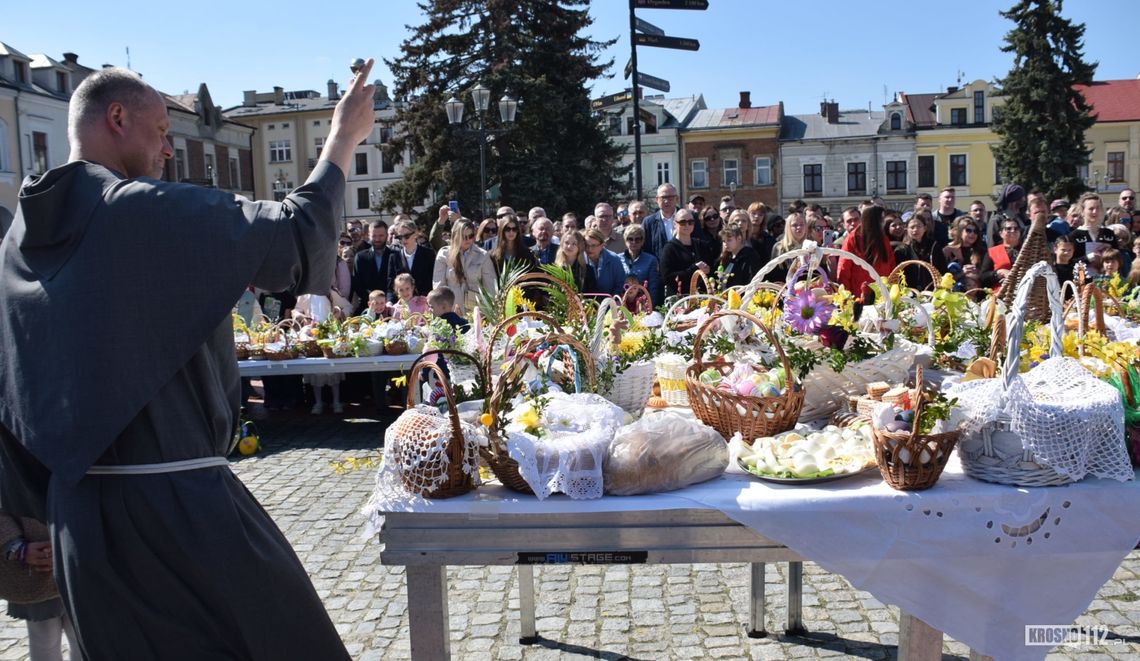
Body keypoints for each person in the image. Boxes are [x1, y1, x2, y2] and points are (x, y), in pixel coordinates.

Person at [0, 60, 376, 659]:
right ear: (116, 118)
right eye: (159, 131)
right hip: (179, 512)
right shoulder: (137, 210)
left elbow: (11, 390)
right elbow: (293, 241)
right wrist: (342, 138)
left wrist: (35, 517)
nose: (169, 151)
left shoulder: (17, 243)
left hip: (78, 530)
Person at [1, 512, 77, 661]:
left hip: (82, 560)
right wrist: (18, 547)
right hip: (31, 567)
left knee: (85, 637)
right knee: (45, 637)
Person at [293, 293, 345, 414]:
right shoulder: (305, 294)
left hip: (330, 334)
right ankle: (318, 402)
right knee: (316, 371)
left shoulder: (330, 292)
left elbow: (346, 306)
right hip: (312, 336)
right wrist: (302, 316)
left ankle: (336, 401)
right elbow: (296, 310)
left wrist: (338, 313)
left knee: (333, 370)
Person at [433, 219, 497, 315]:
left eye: (470, 236)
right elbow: (439, 287)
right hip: (451, 310)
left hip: (476, 310)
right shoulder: (444, 254)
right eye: (463, 237)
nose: (467, 240)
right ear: (455, 236)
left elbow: (491, 287)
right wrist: (445, 310)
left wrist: (489, 312)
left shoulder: (483, 256)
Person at [837, 206, 895, 304]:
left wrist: (892, 289)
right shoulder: (853, 239)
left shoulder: (883, 238)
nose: (883, 223)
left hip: (881, 294)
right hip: (858, 295)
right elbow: (843, 270)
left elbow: (891, 265)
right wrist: (846, 298)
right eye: (881, 220)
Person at [660, 208, 713, 297]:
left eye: (690, 222)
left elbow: (712, 268)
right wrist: (694, 269)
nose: (687, 225)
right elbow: (667, 277)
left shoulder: (701, 245)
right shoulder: (669, 248)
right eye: (682, 222)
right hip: (679, 299)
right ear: (674, 224)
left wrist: (707, 269)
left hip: (702, 297)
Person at [893, 210, 947, 290]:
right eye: (912, 227)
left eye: (918, 226)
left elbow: (943, 269)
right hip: (909, 291)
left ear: (925, 228)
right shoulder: (901, 250)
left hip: (932, 289)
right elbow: (898, 274)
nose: (915, 230)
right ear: (906, 229)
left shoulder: (934, 246)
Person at [386, 219, 436, 302]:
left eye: (406, 236)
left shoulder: (428, 254)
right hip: (402, 304)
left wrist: (428, 298)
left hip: (423, 303)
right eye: (399, 237)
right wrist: (389, 302)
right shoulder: (394, 257)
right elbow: (390, 284)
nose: (403, 240)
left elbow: (433, 281)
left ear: (415, 234)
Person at [351, 220, 391, 314]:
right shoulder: (361, 257)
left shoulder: (395, 255)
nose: (377, 239)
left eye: (381, 236)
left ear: (387, 235)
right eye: (374, 236)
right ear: (368, 235)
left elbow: (396, 282)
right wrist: (374, 301)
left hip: (389, 307)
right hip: (367, 306)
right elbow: (357, 283)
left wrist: (384, 302)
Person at [618, 225, 662, 307]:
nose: (634, 242)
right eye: (630, 239)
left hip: (642, 305)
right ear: (625, 240)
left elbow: (653, 287)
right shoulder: (617, 259)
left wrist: (650, 307)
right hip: (621, 304)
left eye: (638, 239)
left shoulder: (651, 260)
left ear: (643, 241)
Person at [717, 215, 763, 290]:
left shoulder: (750, 255)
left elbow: (752, 281)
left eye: (729, 240)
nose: (726, 244)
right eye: (724, 241)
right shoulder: (727, 257)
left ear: (739, 238)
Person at [943, 216, 986, 294]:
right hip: (954, 293)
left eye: (975, 231)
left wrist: (977, 272)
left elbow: (985, 274)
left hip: (976, 292)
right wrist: (962, 273)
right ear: (960, 232)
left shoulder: (981, 251)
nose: (972, 234)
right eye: (968, 230)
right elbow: (942, 277)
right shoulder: (948, 250)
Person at [1069, 193, 1116, 264]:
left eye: (1098, 208)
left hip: (1107, 274)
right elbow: (1069, 262)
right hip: (1082, 274)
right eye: (1091, 209)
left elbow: (1118, 259)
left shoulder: (1109, 234)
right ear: (1082, 211)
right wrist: (1088, 258)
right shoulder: (1074, 236)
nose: (1095, 212)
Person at [980, 219, 1023, 291]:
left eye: (1016, 228)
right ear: (1001, 233)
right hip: (999, 293)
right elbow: (983, 277)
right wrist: (999, 273)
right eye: (1008, 229)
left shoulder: (1027, 250)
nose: (1013, 231)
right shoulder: (992, 251)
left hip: (1023, 291)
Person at [583, 228, 627, 297]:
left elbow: (620, 285)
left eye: (593, 246)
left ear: (602, 245)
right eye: (586, 245)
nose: (589, 249)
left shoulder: (614, 259)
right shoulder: (580, 259)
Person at [768, 211, 808, 282]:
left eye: (802, 224)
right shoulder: (779, 247)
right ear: (788, 227)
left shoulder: (811, 246)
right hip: (784, 289)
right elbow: (774, 275)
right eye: (794, 225)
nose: (799, 227)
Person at [642, 182, 680, 258]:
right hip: (658, 267)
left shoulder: (689, 218)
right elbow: (644, 248)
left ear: (677, 199)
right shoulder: (649, 222)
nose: (666, 201)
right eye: (663, 197)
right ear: (657, 199)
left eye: (670, 197)